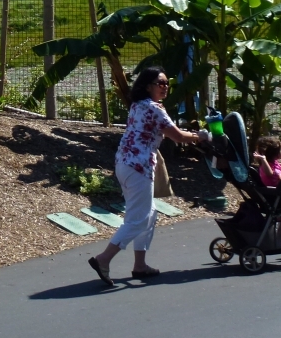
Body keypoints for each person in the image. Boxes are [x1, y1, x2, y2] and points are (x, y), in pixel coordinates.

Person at [88, 67, 210, 285]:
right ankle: (103, 259)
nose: (164, 87)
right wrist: (199, 136)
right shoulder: (154, 109)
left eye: (166, 83)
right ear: (147, 86)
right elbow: (178, 136)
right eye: (159, 83)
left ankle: (140, 265)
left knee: (149, 214)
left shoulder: (138, 105)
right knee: (138, 218)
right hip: (138, 167)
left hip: (125, 164)